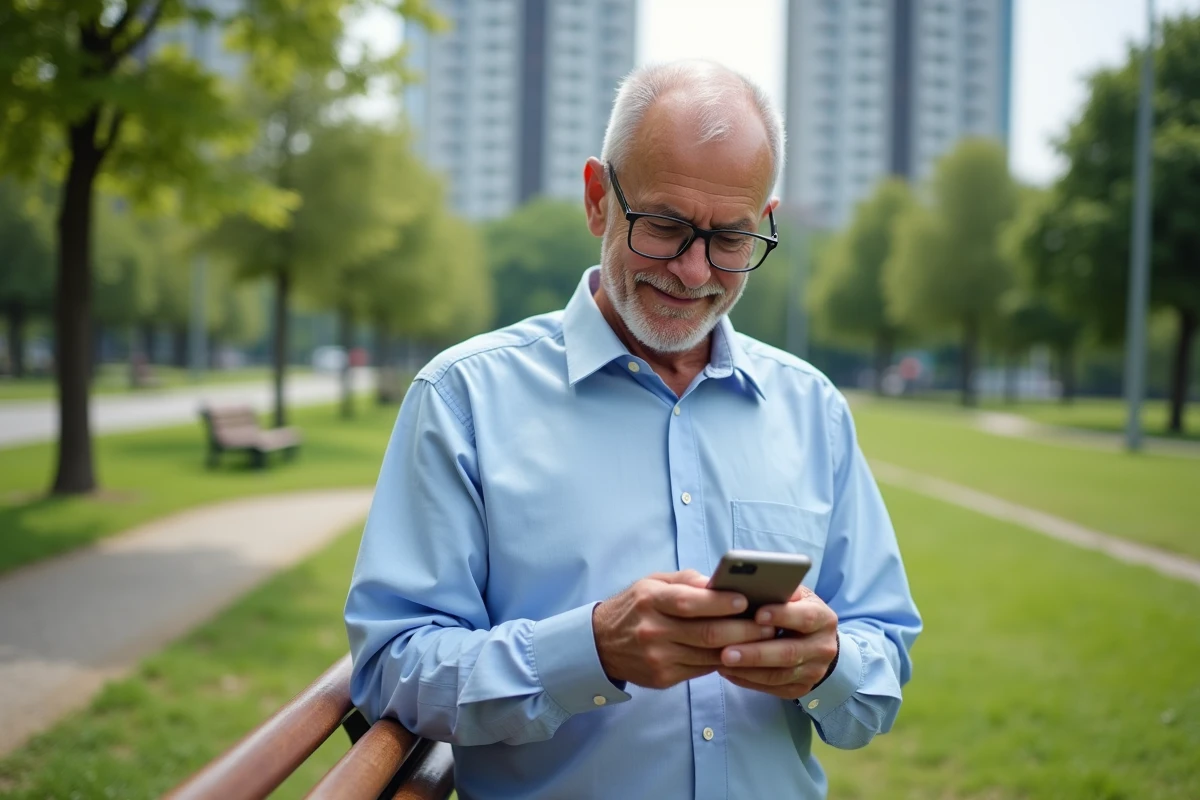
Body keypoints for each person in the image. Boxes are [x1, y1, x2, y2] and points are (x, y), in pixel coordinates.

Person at [345, 60, 921, 800]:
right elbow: (391, 667)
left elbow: (881, 668)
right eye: (665, 226)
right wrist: (589, 651)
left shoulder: (814, 409)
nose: (693, 271)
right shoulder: (463, 399)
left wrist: (831, 663)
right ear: (597, 199)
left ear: (763, 222)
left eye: (731, 238)